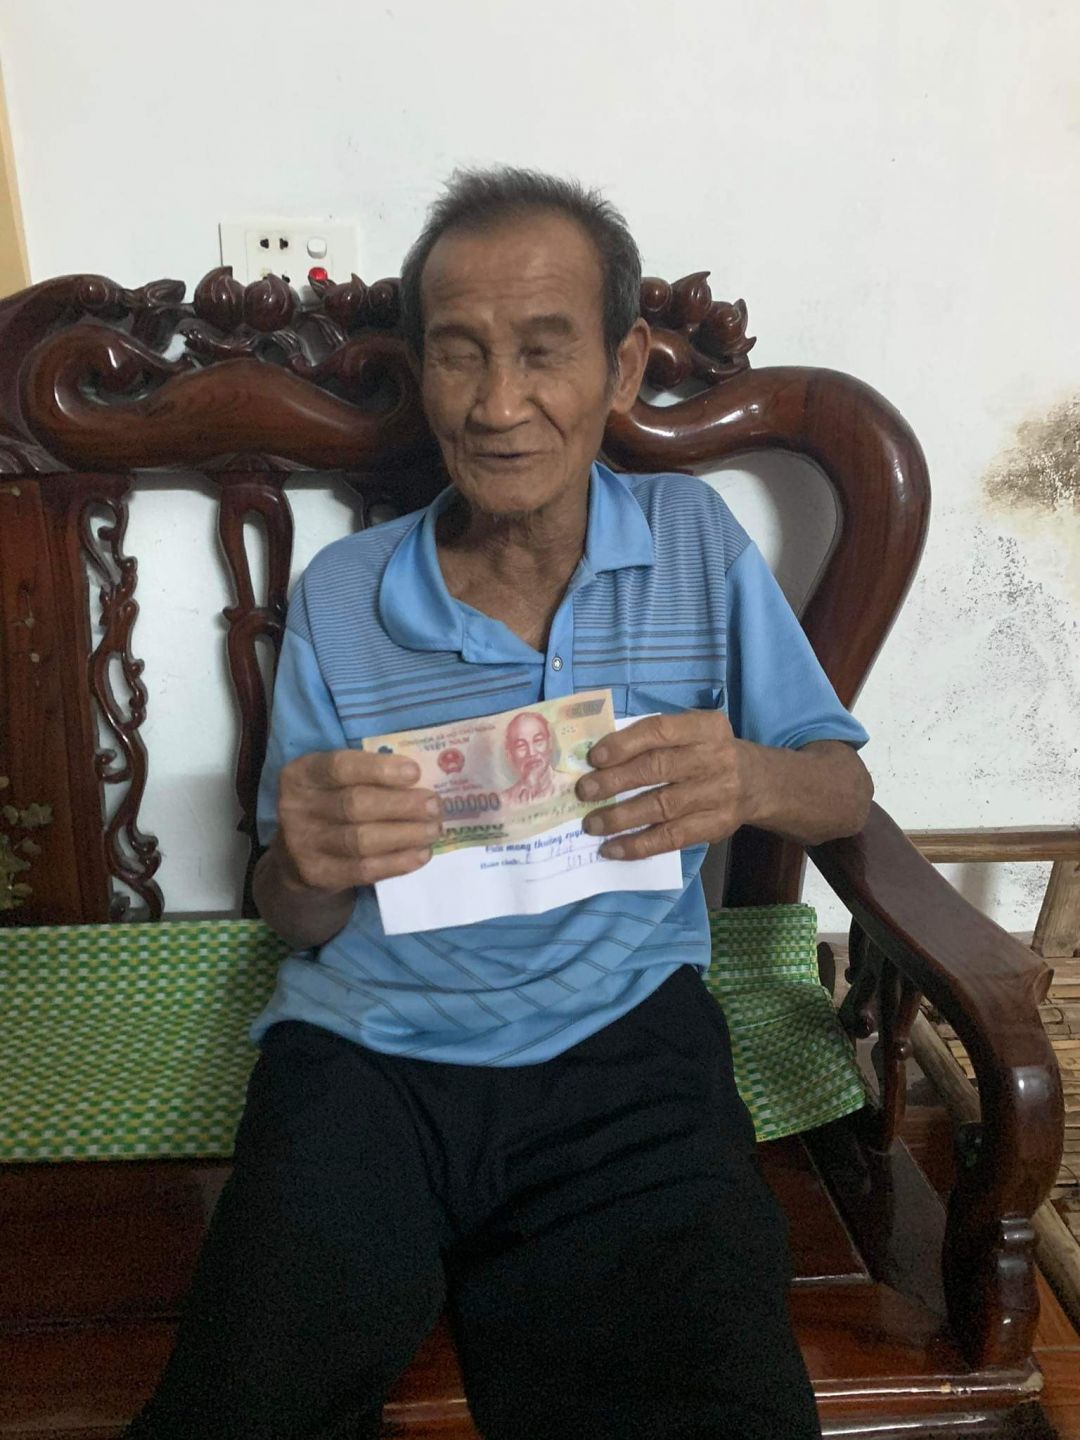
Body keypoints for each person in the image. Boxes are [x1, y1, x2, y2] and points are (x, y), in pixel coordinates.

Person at [126, 167, 873, 1440]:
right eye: (459, 352)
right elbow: (295, 914)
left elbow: (842, 789)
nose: (498, 404)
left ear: (622, 367)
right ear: (421, 372)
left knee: (712, 1406)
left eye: (543, 350)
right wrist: (304, 863)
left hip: (627, 1050)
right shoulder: (346, 594)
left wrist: (750, 776)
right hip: (368, 1058)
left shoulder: (693, 542)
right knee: (241, 1406)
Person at [500, 710, 557, 803]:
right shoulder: (504, 801)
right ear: (509, 755)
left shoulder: (570, 784)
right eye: (521, 745)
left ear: (550, 744)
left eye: (538, 741)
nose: (531, 752)